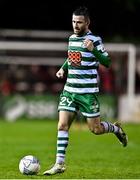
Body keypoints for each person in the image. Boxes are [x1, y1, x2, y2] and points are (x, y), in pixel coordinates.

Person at [43, 6, 128, 176]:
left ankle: (116, 129)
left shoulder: (95, 40)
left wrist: (93, 50)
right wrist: (63, 68)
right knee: (62, 124)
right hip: (70, 90)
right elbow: (71, 57)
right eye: (74, 21)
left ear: (87, 23)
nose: (75, 25)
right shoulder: (71, 39)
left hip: (87, 93)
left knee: (95, 129)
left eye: (79, 22)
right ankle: (59, 163)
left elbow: (107, 62)